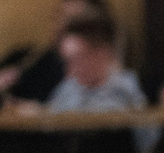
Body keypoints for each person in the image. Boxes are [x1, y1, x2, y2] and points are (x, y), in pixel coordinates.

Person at [0, 0, 113, 111]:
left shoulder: (84, 70)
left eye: (73, 20)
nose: (61, 25)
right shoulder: (25, 56)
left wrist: (33, 111)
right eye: (60, 15)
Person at [15, 15, 146, 114]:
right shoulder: (68, 87)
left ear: (101, 54)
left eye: (76, 60)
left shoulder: (123, 89)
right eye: (66, 62)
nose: (69, 71)